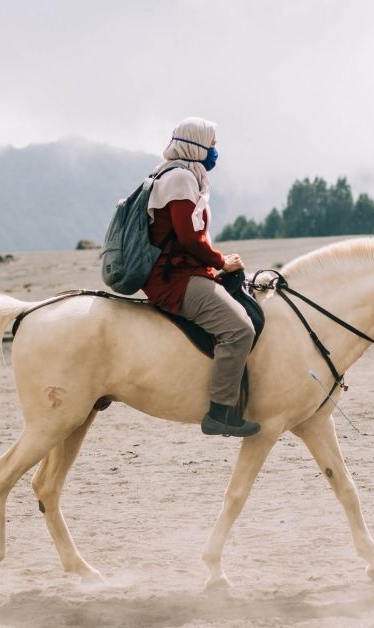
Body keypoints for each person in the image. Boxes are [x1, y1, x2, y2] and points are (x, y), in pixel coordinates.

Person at [142, 117, 260, 438]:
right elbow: (189, 238)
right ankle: (220, 412)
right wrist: (222, 261)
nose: (215, 150)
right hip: (174, 278)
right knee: (238, 329)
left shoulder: (172, 173)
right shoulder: (180, 178)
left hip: (181, 270)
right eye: (211, 144)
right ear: (195, 145)